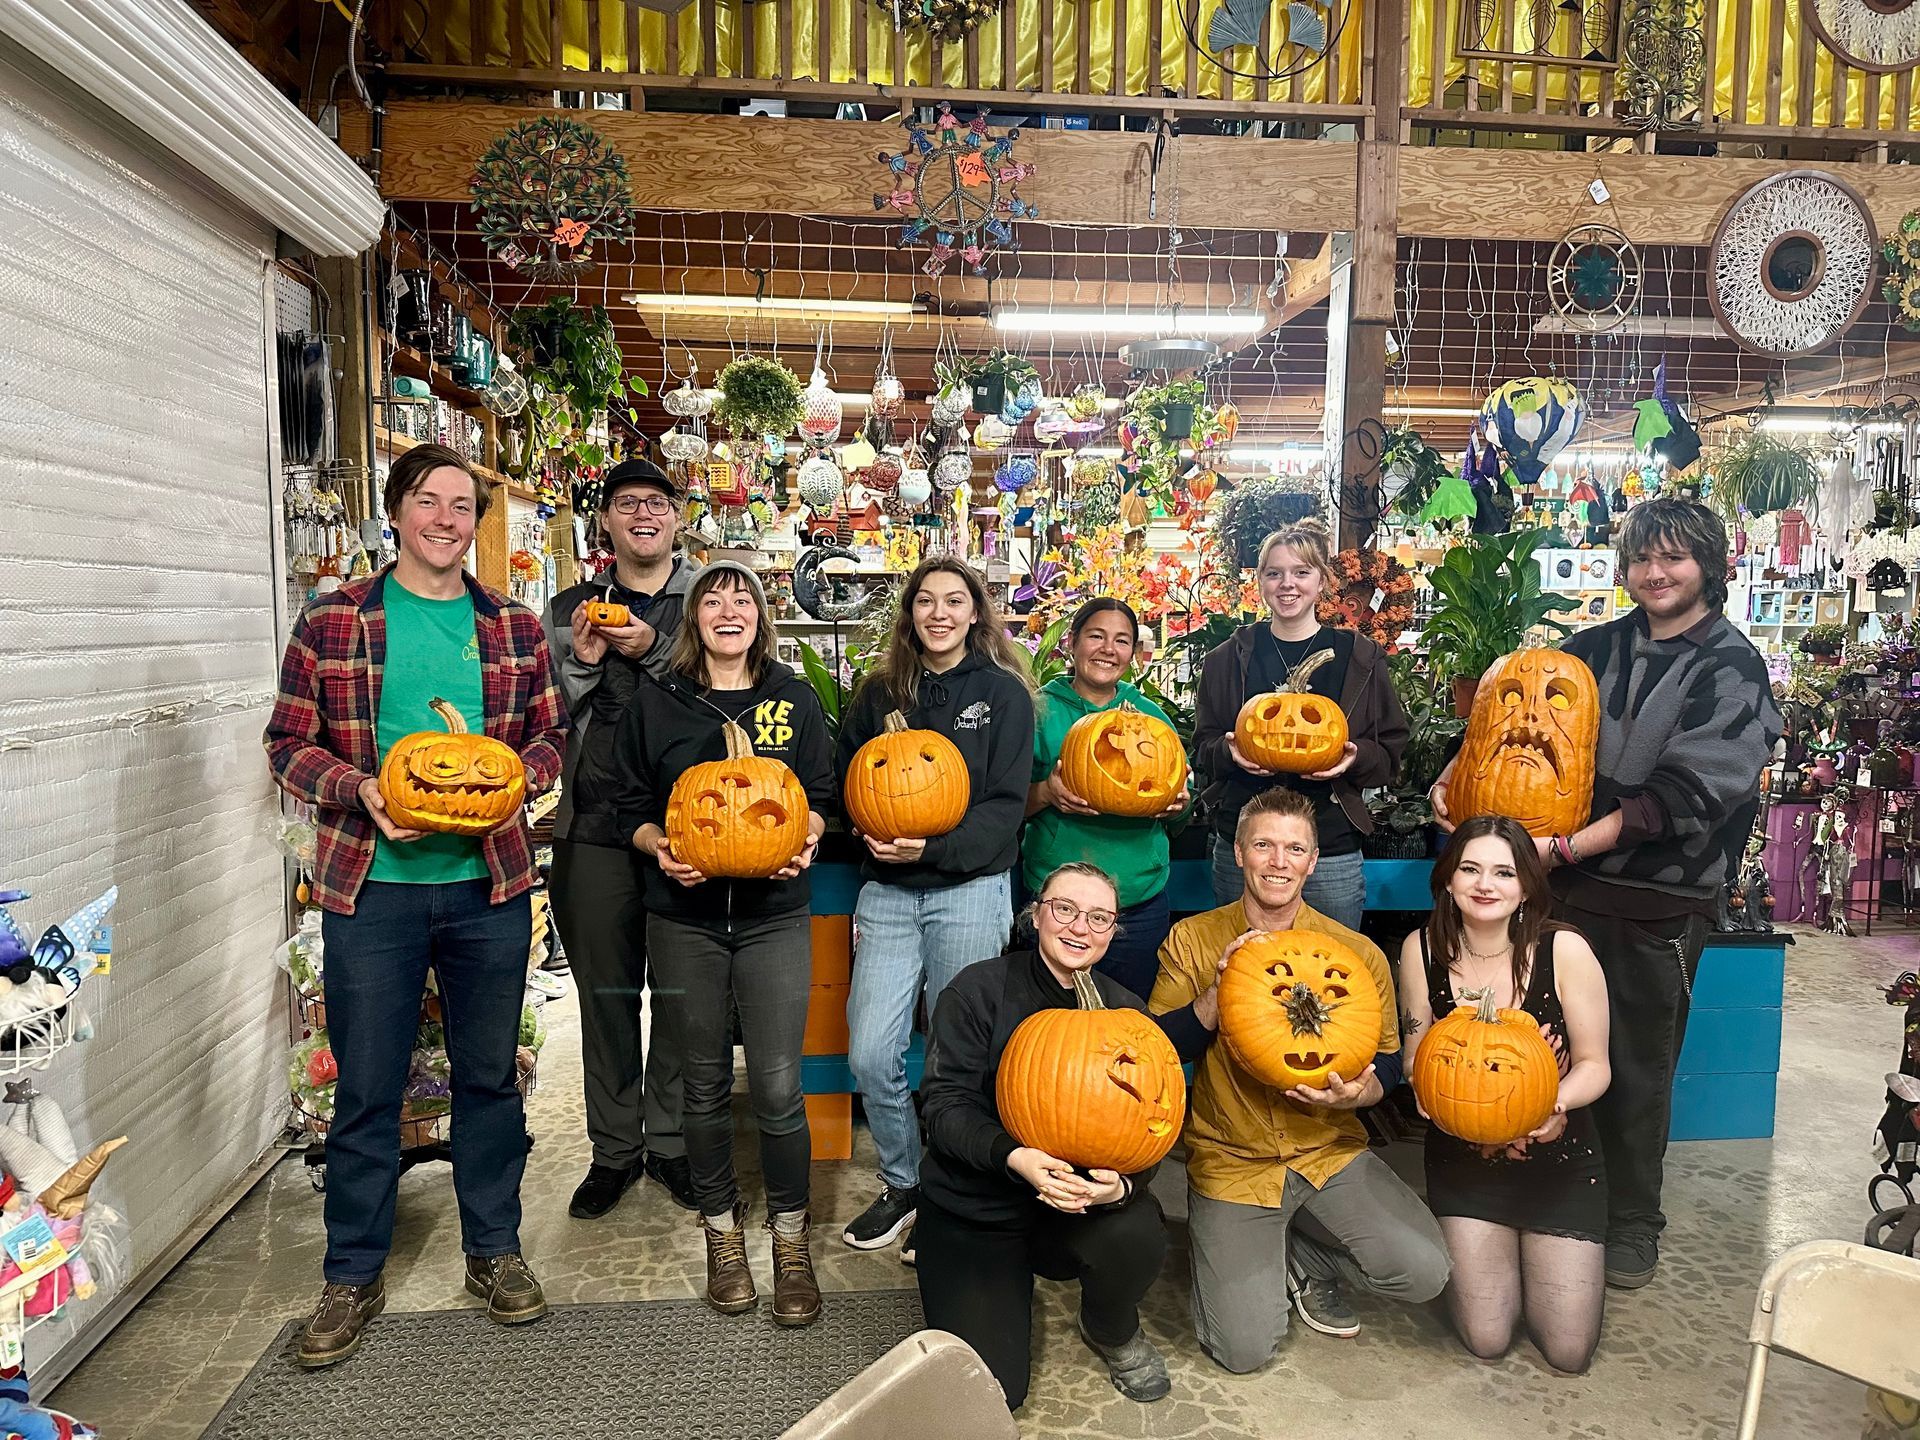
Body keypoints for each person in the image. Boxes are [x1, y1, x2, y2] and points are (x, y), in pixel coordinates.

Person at [264, 443, 567, 1367]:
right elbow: (285, 743)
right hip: (371, 889)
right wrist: (360, 792)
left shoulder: (515, 627)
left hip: (488, 888)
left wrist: (514, 787)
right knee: (366, 1089)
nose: (446, 520)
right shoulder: (333, 620)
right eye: (429, 503)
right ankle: (351, 1272)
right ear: (395, 512)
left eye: (462, 506)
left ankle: (495, 1250)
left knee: (489, 1080)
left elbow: (551, 740)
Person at [1432, 498, 1781, 1290]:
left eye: (1674, 558)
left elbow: (1680, 799)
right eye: (1641, 560)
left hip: (1653, 909)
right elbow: (1508, 717)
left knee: (1634, 1068)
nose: (1655, 574)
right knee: (1541, 1053)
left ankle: (1632, 1222)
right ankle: (1555, 1200)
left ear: (1709, 565)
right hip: (1562, 901)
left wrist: (1560, 848)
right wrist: (1458, 771)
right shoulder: (1589, 651)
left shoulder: (1732, 668)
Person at [1150, 787, 1448, 1372]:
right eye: (1264, 845)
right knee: (1242, 1350)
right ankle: (1236, 1262)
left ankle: (1303, 1261)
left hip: (1326, 1148)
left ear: (1313, 861)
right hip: (1234, 1159)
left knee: (1425, 1272)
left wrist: (1363, 1093)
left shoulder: (1354, 953)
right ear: (1239, 854)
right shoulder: (1194, 940)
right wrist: (1215, 997)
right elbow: (1156, 1050)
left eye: (1294, 849)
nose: (1278, 861)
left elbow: (1386, 1058)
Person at [611, 562, 834, 1325]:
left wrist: (806, 835)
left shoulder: (795, 699)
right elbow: (628, 805)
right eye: (714, 597)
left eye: (743, 597)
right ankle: (722, 1235)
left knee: (777, 1086)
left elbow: (824, 797)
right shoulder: (658, 701)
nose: (729, 609)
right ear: (694, 617)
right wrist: (655, 845)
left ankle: (791, 1240)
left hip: (775, 914)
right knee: (702, 1083)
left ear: (761, 614)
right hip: (684, 918)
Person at [917, 863, 1222, 1410]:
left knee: (1138, 1230)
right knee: (994, 1394)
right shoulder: (977, 991)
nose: (1080, 927)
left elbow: (1151, 1119)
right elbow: (943, 1110)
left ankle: (1110, 1326)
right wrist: (1016, 1158)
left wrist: (1121, 1189)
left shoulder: (1127, 1015)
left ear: (1113, 932)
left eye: (1099, 917)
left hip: (1075, 1209)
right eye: (1066, 909)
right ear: (1037, 914)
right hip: (976, 1209)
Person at [838, 558, 1038, 1255]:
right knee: (870, 1052)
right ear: (911, 614)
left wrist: (927, 850)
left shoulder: (1003, 696)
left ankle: (956, 1188)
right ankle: (904, 1182)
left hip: (972, 891)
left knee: (964, 1054)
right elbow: (849, 787)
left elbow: (1004, 811)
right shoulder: (876, 695)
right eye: (926, 601)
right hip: (887, 896)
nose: (940, 613)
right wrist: (870, 834)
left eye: (955, 601)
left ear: (977, 613)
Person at [543, 456, 700, 1218]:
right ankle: (614, 1151)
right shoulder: (570, 605)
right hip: (594, 826)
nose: (644, 514)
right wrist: (584, 659)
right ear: (604, 521)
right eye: (627, 503)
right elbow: (546, 709)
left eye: (657, 502)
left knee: (675, 992)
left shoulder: (708, 596)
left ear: (678, 517)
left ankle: (668, 1144)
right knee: (605, 995)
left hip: (693, 824)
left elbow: (732, 681)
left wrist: (655, 651)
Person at [1397, 817, 1612, 1373]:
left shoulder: (1564, 949)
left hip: (1557, 1161)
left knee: (1567, 1351)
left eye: (1504, 872)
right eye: (1470, 869)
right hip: (1465, 1162)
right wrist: (1426, 1090)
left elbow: (1595, 1066)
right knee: (1487, 1337)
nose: (1485, 884)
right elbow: (1416, 1056)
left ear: (1525, 886)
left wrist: (1551, 1104)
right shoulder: (1421, 951)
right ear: (1448, 879)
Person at [1191, 519, 1409, 926]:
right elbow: (1202, 746)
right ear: (1260, 582)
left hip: (1328, 845)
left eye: (1301, 572)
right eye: (1274, 573)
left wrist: (1354, 758)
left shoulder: (1359, 658)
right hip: (1245, 843)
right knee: (1242, 965)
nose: (1287, 584)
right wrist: (1230, 753)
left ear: (1322, 581)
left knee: (1332, 963)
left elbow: (1391, 750)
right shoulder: (1226, 658)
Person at [1024, 597, 1191, 998]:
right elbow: (1006, 807)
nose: (1107, 649)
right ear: (1072, 642)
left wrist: (1178, 806)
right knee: (1045, 1026)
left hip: (1137, 904)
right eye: (1096, 636)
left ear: (1133, 653)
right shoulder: (1038, 712)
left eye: (1121, 641)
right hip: (1056, 904)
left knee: (1126, 1021)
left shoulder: (1153, 718)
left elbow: (1179, 817)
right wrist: (1047, 792)